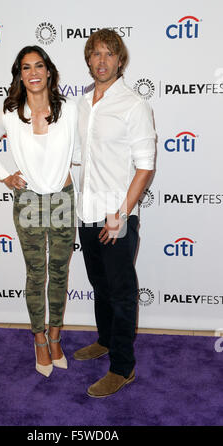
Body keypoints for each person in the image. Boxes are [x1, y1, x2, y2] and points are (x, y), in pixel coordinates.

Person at [0, 45, 80, 378]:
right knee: (37, 273)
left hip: (62, 198)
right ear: (19, 75)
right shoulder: (10, 113)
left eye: (39, 66)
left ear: (49, 71)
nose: (33, 72)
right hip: (29, 201)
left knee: (60, 272)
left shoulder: (69, 109)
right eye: (26, 67)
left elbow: (84, 151)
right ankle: (38, 338)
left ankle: (55, 336)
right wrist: (3, 174)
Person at [74, 29, 156, 397]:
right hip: (86, 214)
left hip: (116, 218)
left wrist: (120, 214)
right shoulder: (81, 103)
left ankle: (123, 368)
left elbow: (145, 166)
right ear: (89, 60)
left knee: (121, 294)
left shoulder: (134, 105)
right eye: (95, 54)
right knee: (99, 286)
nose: (102, 60)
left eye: (109, 54)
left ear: (120, 61)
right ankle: (105, 341)